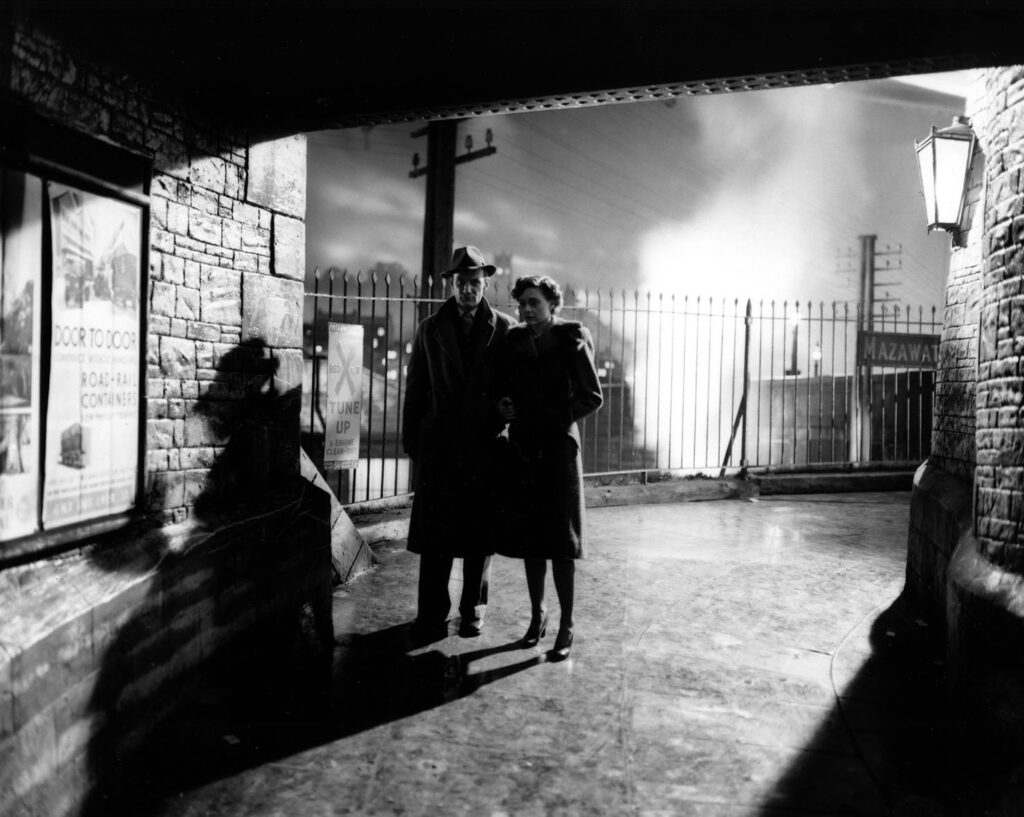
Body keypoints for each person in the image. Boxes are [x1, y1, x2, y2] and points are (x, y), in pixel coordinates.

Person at [402, 245, 516, 644]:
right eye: (461, 282)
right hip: (441, 448)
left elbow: (513, 383)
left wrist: (506, 406)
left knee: (478, 539)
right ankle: (432, 615)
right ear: (451, 283)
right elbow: (415, 390)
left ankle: (473, 612)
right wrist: (414, 445)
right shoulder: (430, 328)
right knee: (437, 540)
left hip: (484, 447)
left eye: (475, 282)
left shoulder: (504, 328)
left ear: (486, 283)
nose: (468, 289)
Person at [496, 275, 603, 660]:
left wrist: (556, 419)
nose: (526, 309)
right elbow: (505, 387)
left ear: (552, 304)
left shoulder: (571, 337)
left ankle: (567, 625)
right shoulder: (514, 340)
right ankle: (537, 615)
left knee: (562, 542)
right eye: (522, 302)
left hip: (559, 451)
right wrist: (504, 406)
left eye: (534, 302)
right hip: (525, 449)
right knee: (532, 540)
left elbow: (593, 397)